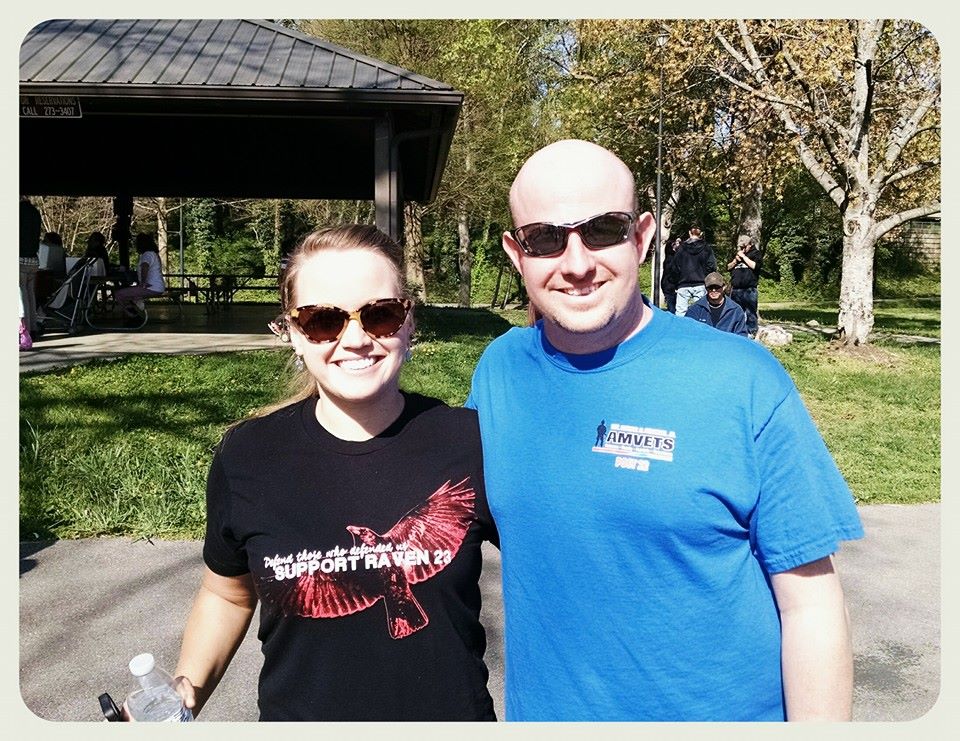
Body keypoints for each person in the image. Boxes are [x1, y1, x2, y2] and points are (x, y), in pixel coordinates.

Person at [466, 139, 863, 721]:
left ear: (642, 236)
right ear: (515, 252)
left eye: (602, 230)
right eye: (547, 239)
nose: (576, 263)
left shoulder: (742, 379)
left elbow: (812, 604)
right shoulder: (499, 373)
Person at [169, 225, 499, 721]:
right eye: (323, 320)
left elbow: (555, 576)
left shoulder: (468, 442)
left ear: (410, 323)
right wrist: (180, 696)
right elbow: (227, 593)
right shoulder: (249, 455)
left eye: (380, 315)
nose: (356, 339)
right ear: (293, 335)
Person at [112, 232, 166, 324]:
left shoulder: (147, 255)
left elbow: (145, 267)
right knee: (132, 294)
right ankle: (137, 305)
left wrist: (143, 283)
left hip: (151, 287)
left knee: (119, 294)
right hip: (158, 286)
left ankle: (133, 316)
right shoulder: (153, 254)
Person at [670, 225, 717, 316]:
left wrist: (675, 281)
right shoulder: (706, 248)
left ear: (689, 233)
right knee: (701, 312)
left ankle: (680, 330)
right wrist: (707, 278)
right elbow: (711, 266)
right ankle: (700, 330)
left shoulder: (681, 249)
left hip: (683, 283)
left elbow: (674, 267)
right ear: (701, 234)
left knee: (680, 312)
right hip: (700, 283)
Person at [684, 271, 748, 336]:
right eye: (710, 288)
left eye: (717, 287)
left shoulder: (736, 310)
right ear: (706, 288)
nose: (714, 290)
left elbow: (742, 336)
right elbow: (687, 332)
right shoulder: (695, 309)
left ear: (723, 287)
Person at [728, 234, 763, 337]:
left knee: (750, 313)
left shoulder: (756, 254)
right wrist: (735, 261)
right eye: (740, 247)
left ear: (750, 244)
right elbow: (728, 267)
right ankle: (735, 331)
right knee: (735, 311)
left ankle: (751, 332)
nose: (742, 249)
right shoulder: (737, 254)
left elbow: (756, 266)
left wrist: (744, 257)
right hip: (736, 290)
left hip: (749, 289)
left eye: (744, 246)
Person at [19, 198, 42, 347]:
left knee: (21, 293)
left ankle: (24, 328)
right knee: (30, 293)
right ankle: (33, 326)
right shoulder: (35, 212)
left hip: (19, 258)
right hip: (33, 259)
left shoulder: (17, 212)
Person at [36, 231, 67, 304]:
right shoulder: (62, 252)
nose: (43, 243)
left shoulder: (47, 251)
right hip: (58, 282)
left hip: (52, 283)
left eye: (45, 241)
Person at [659, 236, 681, 313]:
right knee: (673, 307)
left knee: (672, 306)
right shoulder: (671, 259)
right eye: (676, 244)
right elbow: (673, 272)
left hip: (668, 284)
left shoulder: (669, 258)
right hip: (670, 285)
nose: (678, 246)